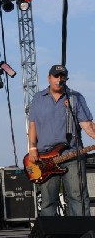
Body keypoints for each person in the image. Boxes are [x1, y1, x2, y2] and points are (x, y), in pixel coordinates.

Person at [28, 64, 95, 216]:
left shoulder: (75, 97)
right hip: (45, 157)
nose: (59, 79)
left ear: (66, 79)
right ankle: (50, 237)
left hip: (72, 155)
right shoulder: (38, 98)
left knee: (78, 198)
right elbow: (33, 125)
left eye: (62, 76)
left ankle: (82, 234)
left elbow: (88, 125)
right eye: (55, 76)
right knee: (48, 201)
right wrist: (32, 148)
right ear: (49, 78)